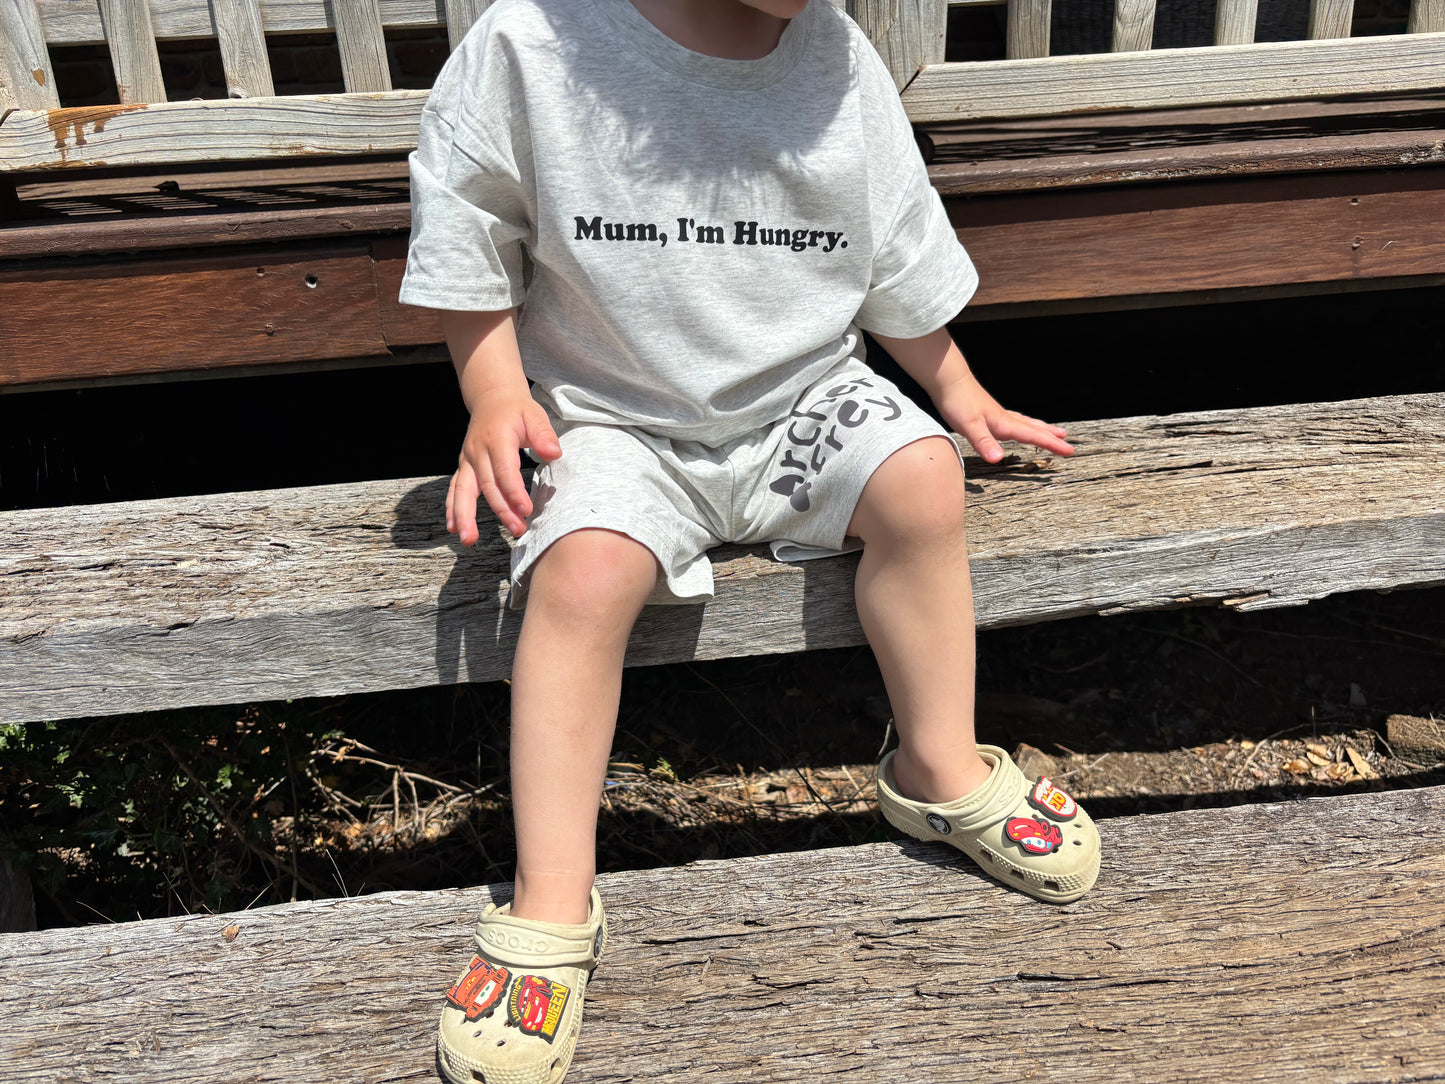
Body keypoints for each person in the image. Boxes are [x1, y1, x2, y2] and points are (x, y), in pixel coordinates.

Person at [400, 1, 1102, 1080]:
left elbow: (892, 239)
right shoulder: (531, 44)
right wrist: (492, 393)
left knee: (920, 485)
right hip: (609, 418)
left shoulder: (833, 51)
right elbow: (466, 216)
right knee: (581, 574)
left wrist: (955, 389)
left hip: (800, 398)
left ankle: (936, 761)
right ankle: (548, 895)